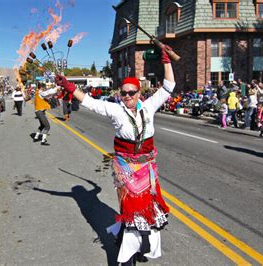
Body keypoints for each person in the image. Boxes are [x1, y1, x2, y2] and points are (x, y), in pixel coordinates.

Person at [55, 41, 174, 265]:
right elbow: (89, 102)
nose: (127, 96)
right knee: (131, 211)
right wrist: (70, 87)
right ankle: (126, 257)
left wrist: (166, 59)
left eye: (131, 93)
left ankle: (140, 246)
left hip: (147, 167)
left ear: (139, 93)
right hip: (126, 168)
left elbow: (169, 86)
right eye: (124, 93)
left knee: (147, 210)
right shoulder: (115, 110)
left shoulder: (149, 106)